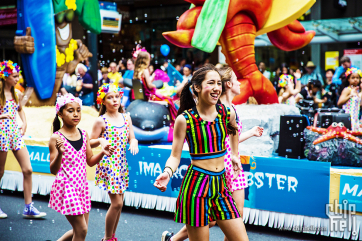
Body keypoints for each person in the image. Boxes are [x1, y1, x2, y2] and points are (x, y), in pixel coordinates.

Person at [161, 67, 263, 241]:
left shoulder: (227, 112)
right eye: (211, 83)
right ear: (197, 88)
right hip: (197, 187)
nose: (217, 88)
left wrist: (235, 155)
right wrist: (167, 172)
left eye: (218, 83)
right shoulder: (184, 119)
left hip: (221, 186)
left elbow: (234, 130)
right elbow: (175, 156)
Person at [49, 94, 114, 241]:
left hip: (81, 186)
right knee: (82, 230)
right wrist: (60, 154)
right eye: (71, 111)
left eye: (78, 110)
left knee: (79, 230)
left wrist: (102, 153)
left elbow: (90, 161)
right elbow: (53, 170)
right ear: (60, 113)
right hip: (67, 187)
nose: (76, 114)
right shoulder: (56, 138)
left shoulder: (84, 134)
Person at [90, 84, 139, 241]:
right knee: (116, 203)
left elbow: (132, 137)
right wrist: (101, 141)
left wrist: (134, 142)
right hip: (109, 165)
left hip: (121, 163)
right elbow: (89, 142)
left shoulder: (126, 117)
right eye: (109, 97)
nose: (114, 100)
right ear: (103, 102)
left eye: (116, 96)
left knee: (120, 203)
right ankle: (106, 238)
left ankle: (111, 237)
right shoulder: (101, 121)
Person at [0, 60, 46, 219]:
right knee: (0, 172)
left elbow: (20, 110)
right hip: (1, 133)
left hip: (14, 133)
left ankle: (29, 207)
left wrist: (24, 123)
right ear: (5, 77)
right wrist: (1, 116)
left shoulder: (16, 93)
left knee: (28, 169)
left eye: (18, 75)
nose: (17, 79)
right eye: (14, 76)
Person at [133, 51, 178, 124]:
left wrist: (152, 79)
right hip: (150, 95)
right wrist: (155, 86)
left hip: (144, 95)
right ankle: (172, 121)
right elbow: (149, 85)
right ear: (146, 60)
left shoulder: (137, 71)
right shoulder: (145, 70)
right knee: (169, 100)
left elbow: (144, 84)